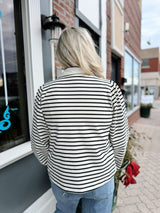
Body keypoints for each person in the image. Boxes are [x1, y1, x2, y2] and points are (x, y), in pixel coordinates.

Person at [31, 27, 129, 213]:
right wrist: (112, 167)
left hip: (63, 178)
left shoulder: (46, 92)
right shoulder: (109, 90)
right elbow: (120, 140)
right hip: (101, 178)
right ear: (89, 50)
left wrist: (53, 163)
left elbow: (38, 143)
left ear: (61, 53)